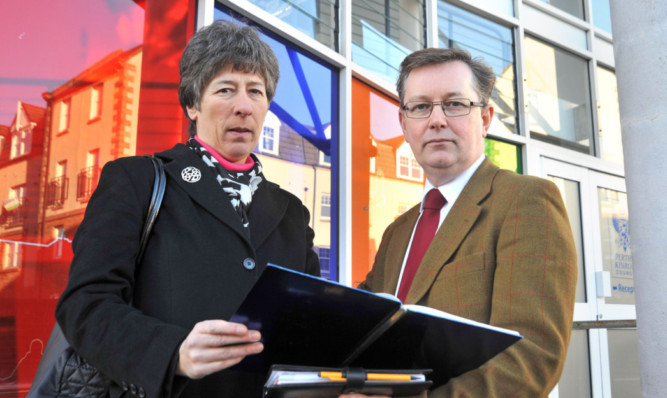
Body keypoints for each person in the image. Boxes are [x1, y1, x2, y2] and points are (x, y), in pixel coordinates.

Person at [55, 21, 320, 397]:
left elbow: (306, 321)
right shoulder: (135, 180)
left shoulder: (292, 212)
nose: (244, 107)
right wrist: (172, 352)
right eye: (226, 90)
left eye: (256, 92)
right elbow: (85, 305)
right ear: (193, 105)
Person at [352, 48, 577, 397]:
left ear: (485, 119)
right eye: (421, 106)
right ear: (404, 124)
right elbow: (362, 322)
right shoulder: (397, 232)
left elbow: (532, 357)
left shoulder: (526, 201)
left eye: (455, 104)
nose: (437, 119)